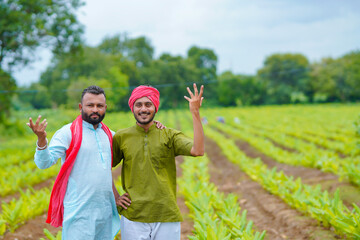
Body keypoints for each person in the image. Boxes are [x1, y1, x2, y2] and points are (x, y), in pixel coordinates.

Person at [26, 85, 165, 240]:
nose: (95, 110)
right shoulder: (67, 133)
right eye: (90, 105)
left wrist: (152, 126)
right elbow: (44, 163)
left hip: (105, 212)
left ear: (105, 107)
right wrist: (41, 139)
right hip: (78, 213)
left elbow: (106, 168)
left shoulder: (110, 135)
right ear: (80, 107)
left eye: (99, 106)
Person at [112, 83, 205, 240]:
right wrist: (115, 196)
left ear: (155, 107)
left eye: (148, 104)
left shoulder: (169, 135)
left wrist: (195, 112)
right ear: (132, 108)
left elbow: (198, 150)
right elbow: (104, 167)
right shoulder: (121, 137)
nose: (143, 109)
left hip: (165, 214)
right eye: (138, 105)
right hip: (133, 215)